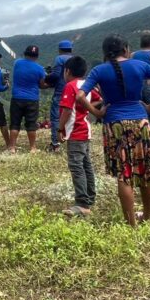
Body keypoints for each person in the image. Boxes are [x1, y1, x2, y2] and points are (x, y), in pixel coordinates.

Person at [76, 36, 150, 226]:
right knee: (146, 171)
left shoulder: (99, 70)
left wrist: (97, 112)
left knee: (125, 175)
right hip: (141, 121)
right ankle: (148, 217)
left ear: (105, 52)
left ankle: (130, 223)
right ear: (125, 49)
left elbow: (80, 96)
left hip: (114, 124)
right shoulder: (140, 65)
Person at [57, 57, 101, 217]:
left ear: (67, 71)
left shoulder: (70, 86)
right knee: (86, 165)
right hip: (85, 130)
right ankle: (90, 196)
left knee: (76, 166)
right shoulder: (86, 85)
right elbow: (99, 100)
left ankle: (82, 203)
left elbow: (67, 111)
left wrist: (60, 128)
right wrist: (85, 106)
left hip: (76, 132)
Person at [9, 44, 50, 153]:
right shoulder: (40, 69)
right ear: (36, 56)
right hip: (32, 99)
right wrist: (49, 83)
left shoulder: (17, 63)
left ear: (25, 53)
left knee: (15, 123)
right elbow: (42, 85)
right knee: (31, 124)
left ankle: (12, 147)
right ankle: (32, 148)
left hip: (17, 97)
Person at [45, 40, 74, 151]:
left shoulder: (60, 58)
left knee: (56, 117)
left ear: (60, 49)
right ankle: (71, 140)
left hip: (60, 92)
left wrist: (47, 77)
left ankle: (55, 143)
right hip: (73, 90)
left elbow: (56, 75)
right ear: (71, 49)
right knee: (71, 116)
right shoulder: (74, 59)